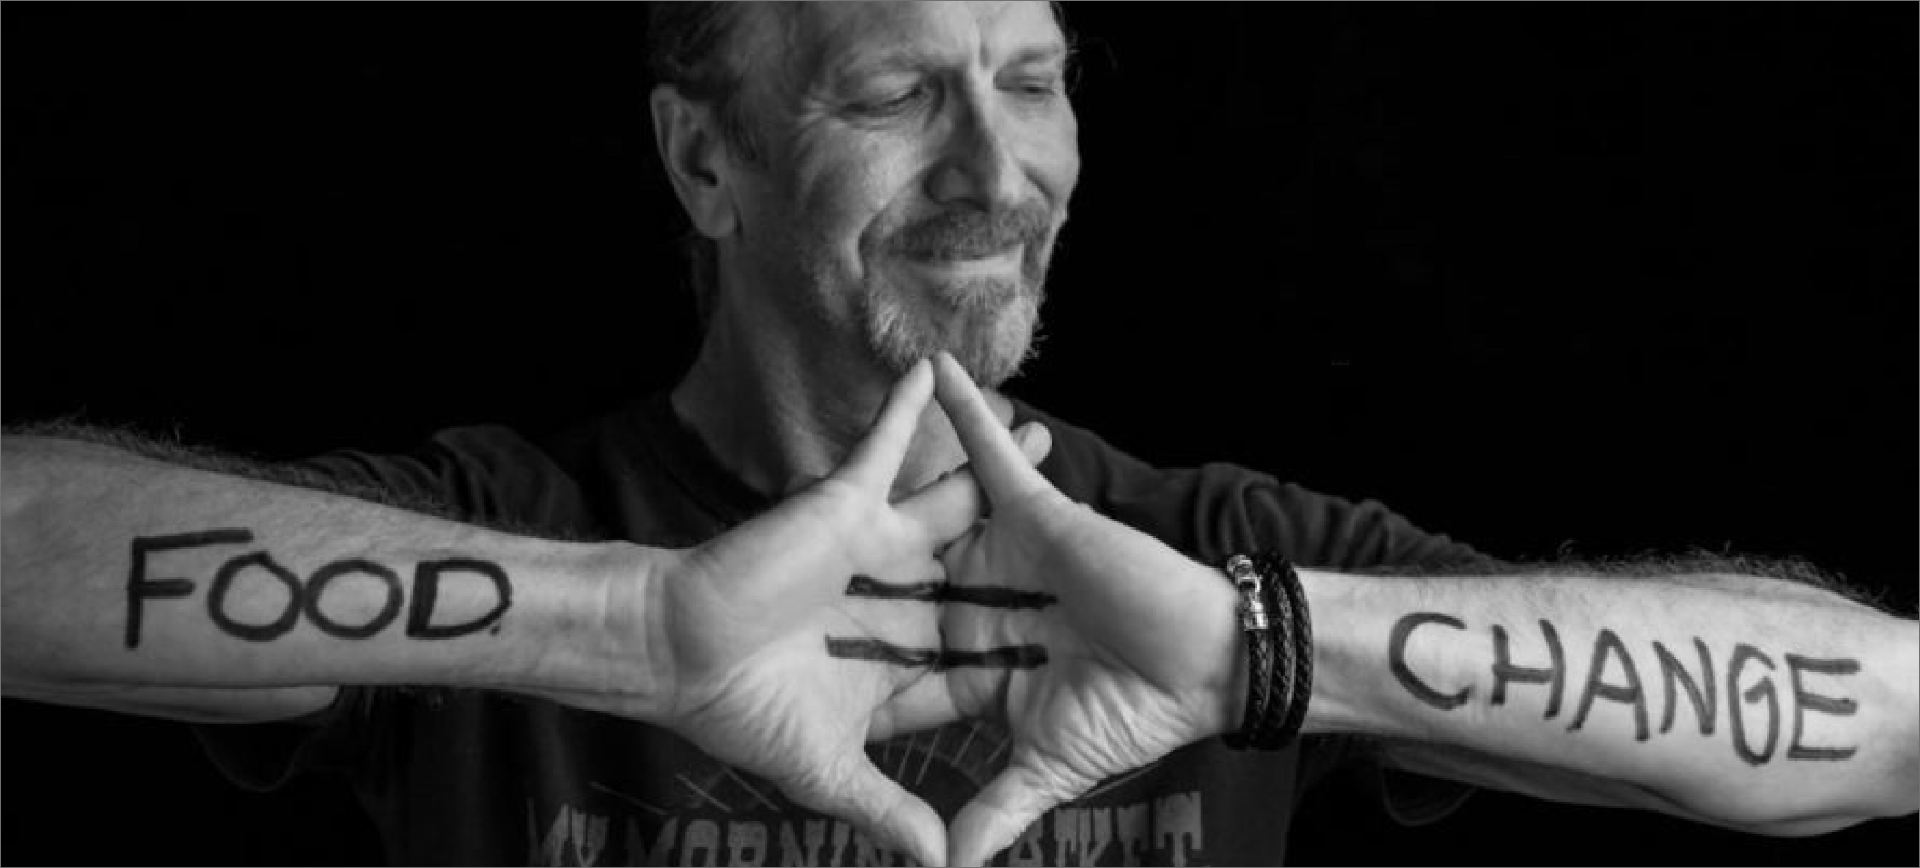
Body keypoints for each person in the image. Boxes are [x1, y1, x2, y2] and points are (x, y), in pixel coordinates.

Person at [4, 2, 1915, 866]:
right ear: (705, 161)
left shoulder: (1209, 544)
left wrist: (1272, 652)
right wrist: (632, 629)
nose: (998, 172)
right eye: (899, 94)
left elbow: (1888, 723)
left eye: (1033, 81)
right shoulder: (517, 529)